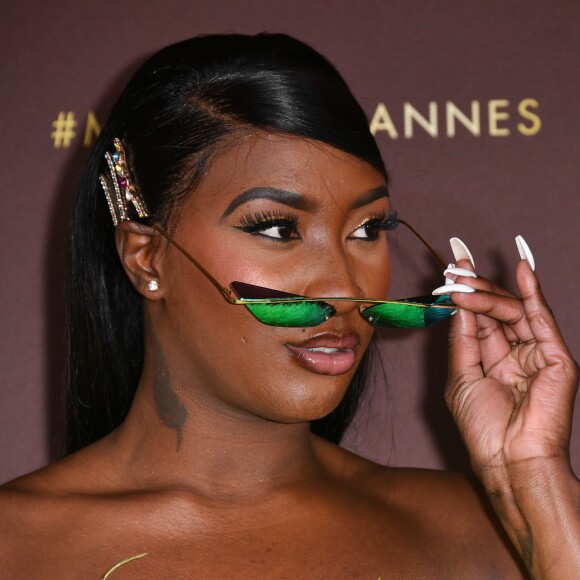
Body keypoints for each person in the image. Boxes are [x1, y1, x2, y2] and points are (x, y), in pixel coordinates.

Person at [0, 33, 578, 578]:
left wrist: (534, 481)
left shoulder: (483, 531)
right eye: (277, 229)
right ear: (147, 259)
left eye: (367, 228)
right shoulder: (19, 543)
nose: (341, 287)